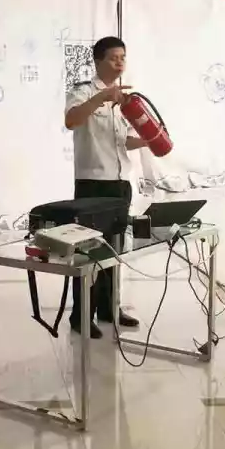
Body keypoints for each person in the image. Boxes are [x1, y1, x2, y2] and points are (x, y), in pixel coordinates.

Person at [64, 36, 154, 338]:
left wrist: (146, 140)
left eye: (123, 57)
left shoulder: (124, 101)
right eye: (114, 57)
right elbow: (72, 120)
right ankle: (80, 315)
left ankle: (109, 308)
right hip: (92, 185)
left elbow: (122, 141)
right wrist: (101, 98)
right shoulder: (83, 91)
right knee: (88, 252)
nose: (120, 63)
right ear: (98, 60)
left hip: (119, 184)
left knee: (114, 251)